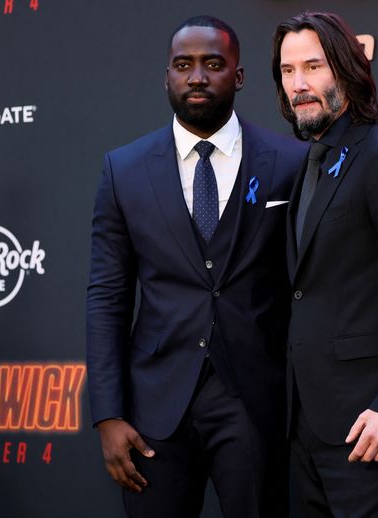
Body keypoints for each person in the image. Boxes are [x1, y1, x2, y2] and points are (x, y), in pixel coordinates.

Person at [87, 15, 305, 518]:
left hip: (256, 400)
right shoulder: (124, 170)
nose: (198, 77)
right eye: (183, 65)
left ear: (240, 76)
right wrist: (108, 415)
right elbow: (107, 297)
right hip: (154, 410)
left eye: (213, 64)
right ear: (167, 76)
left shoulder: (291, 161)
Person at [272, 11, 378, 517]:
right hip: (306, 423)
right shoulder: (311, 163)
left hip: (369, 424)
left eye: (313, 67)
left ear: (346, 70)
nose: (299, 85)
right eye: (287, 71)